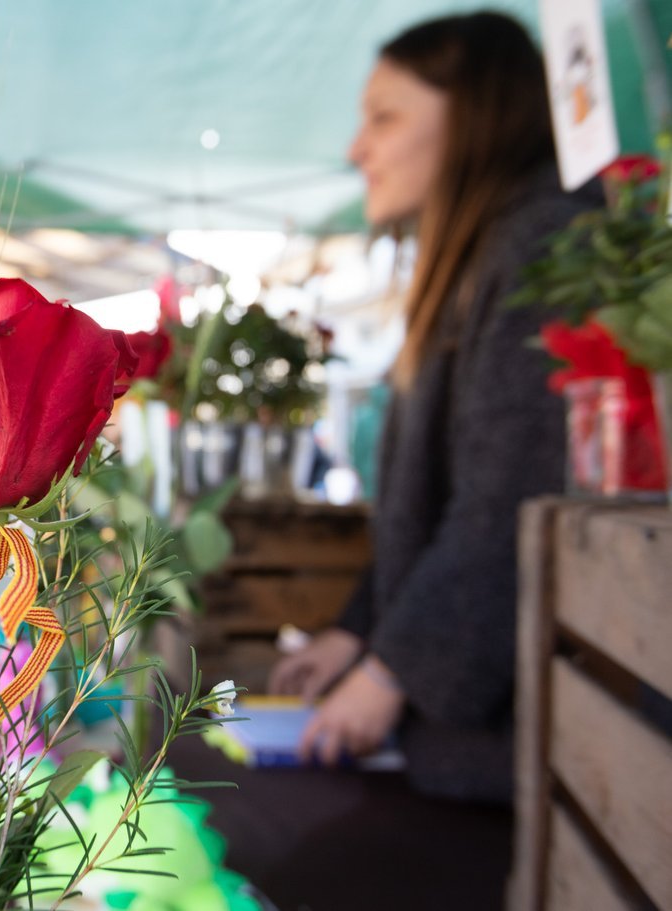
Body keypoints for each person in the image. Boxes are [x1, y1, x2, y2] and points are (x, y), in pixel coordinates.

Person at [176, 13, 602, 910]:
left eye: (384, 117)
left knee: (223, 822)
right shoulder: (486, 255)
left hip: (511, 774)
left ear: (474, 118)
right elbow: (440, 511)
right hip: (467, 746)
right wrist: (356, 632)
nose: (355, 146)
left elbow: (514, 498)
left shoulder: (541, 244)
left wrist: (388, 672)